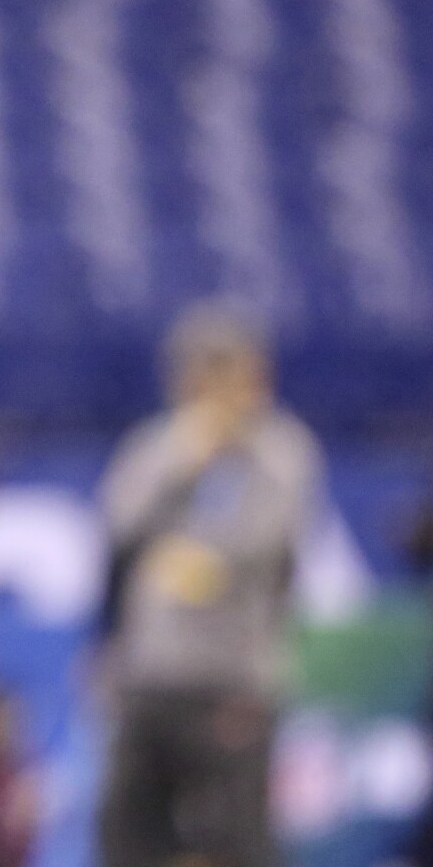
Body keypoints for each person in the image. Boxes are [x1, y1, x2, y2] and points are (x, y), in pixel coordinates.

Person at [95, 304, 322, 867]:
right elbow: (119, 521)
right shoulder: (161, 443)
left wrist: (196, 552)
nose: (214, 384)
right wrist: (184, 455)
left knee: (237, 841)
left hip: (233, 680)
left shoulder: (282, 449)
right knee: (126, 834)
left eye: (228, 368)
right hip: (151, 674)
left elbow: (263, 542)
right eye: (201, 369)